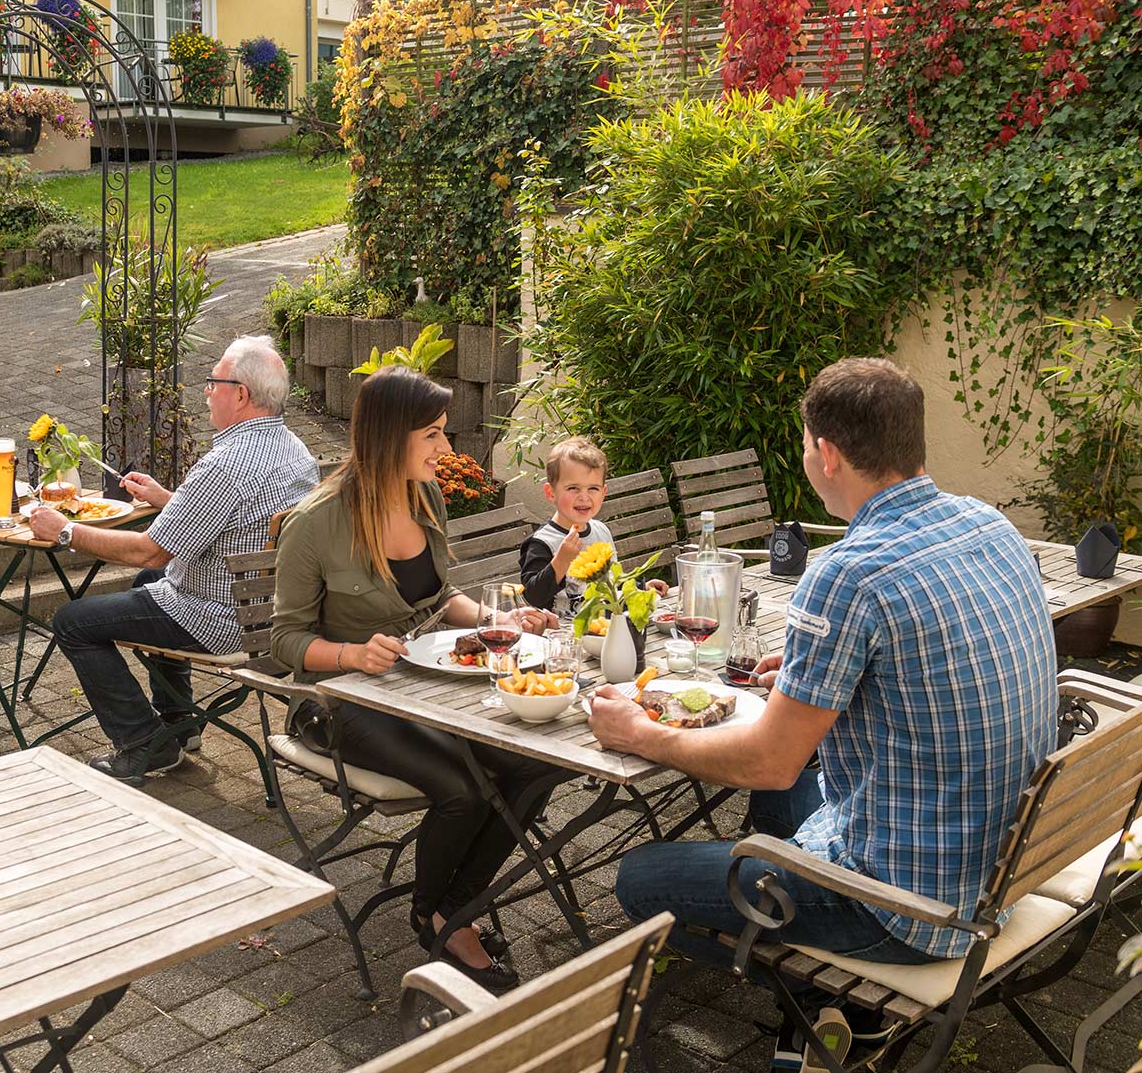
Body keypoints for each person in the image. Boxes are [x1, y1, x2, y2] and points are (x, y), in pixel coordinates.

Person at [588, 357, 1056, 1071]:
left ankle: (817, 1013)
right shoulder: (987, 524)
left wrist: (641, 733)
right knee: (780, 808)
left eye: (807, 444)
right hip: (999, 866)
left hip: (911, 910)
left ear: (827, 455)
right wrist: (816, 677)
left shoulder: (849, 572)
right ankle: (839, 1021)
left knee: (641, 877)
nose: (807, 456)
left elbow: (766, 762)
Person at [271, 366, 562, 993]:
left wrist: (497, 621)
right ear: (388, 437)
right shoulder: (314, 523)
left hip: (428, 690)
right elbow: (285, 640)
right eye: (431, 435)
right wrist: (352, 656)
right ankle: (435, 915)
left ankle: (459, 898)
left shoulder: (423, 496)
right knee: (463, 789)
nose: (446, 450)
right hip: (343, 703)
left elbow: (439, 598)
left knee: (538, 763)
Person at [31, 335, 318, 782]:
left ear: (240, 394)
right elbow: (241, 518)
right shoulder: (295, 451)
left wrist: (65, 531)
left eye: (213, 382)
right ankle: (179, 724)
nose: (206, 392)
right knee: (150, 583)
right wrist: (170, 499)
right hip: (276, 615)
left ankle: (146, 743)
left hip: (225, 621)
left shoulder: (227, 463)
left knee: (74, 621)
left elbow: (149, 548)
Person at [519, 436, 667, 615]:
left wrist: (641, 587)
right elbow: (532, 596)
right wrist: (561, 560)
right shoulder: (542, 542)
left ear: (603, 493)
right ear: (551, 493)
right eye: (573, 488)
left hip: (606, 629)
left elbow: (611, 580)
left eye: (593, 489)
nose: (584, 497)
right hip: (562, 635)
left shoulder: (601, 530)